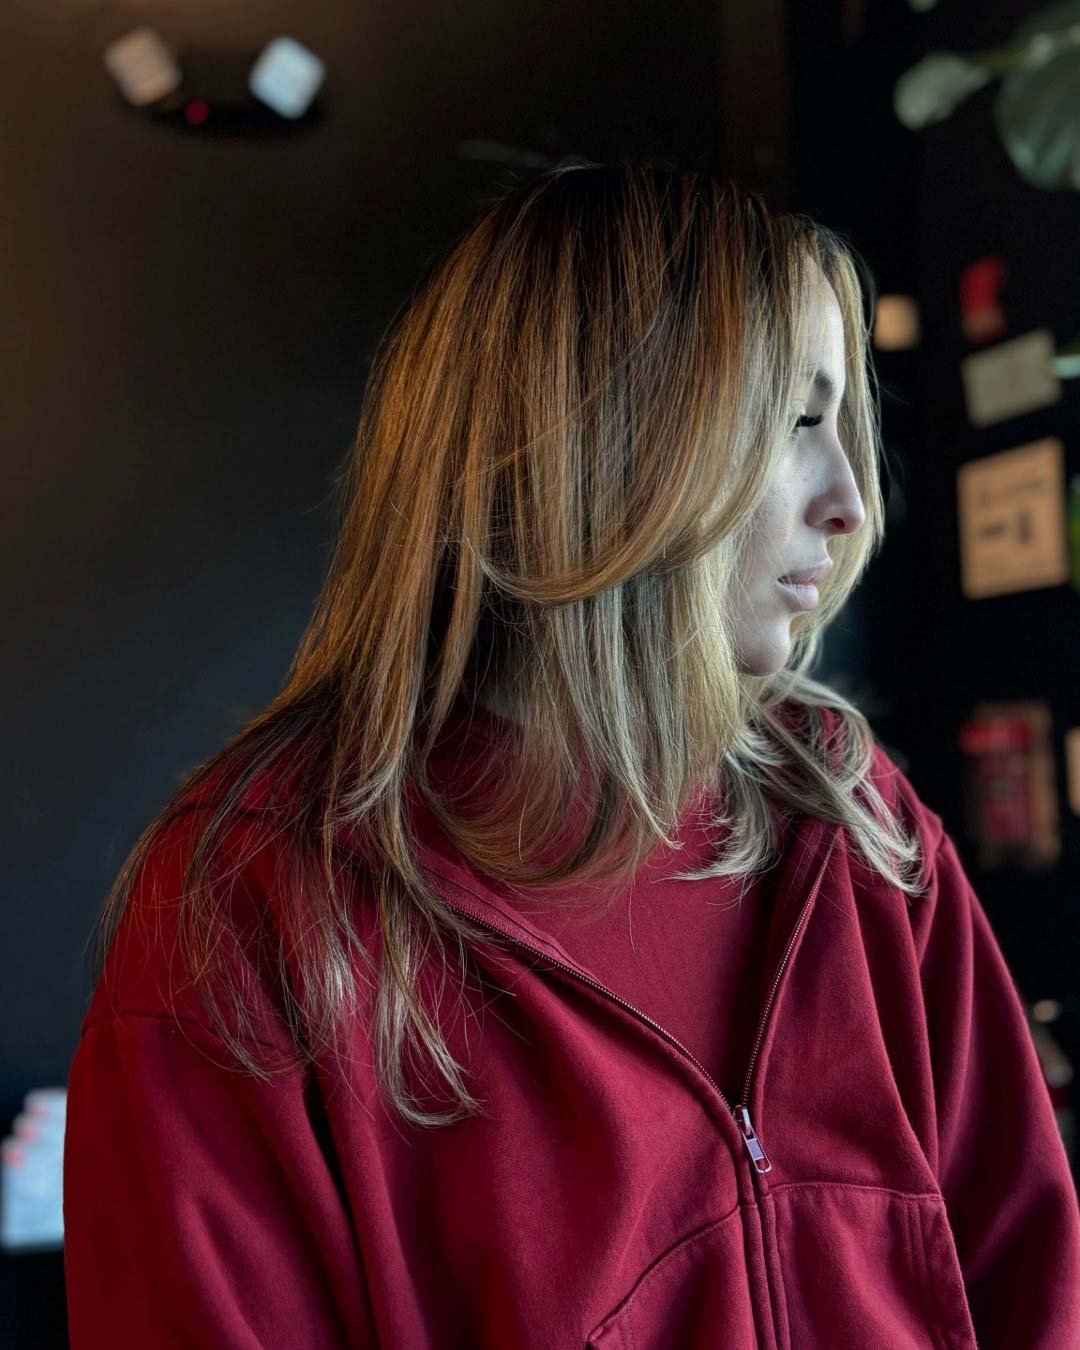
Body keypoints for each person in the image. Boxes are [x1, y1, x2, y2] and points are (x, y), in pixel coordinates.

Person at [62, 159, 1080, 1348]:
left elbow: (1030, 1271)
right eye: (798, 421)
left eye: (842, 422)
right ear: (609, 444)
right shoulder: (260, 902)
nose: (850, 500)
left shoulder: (855, 822)